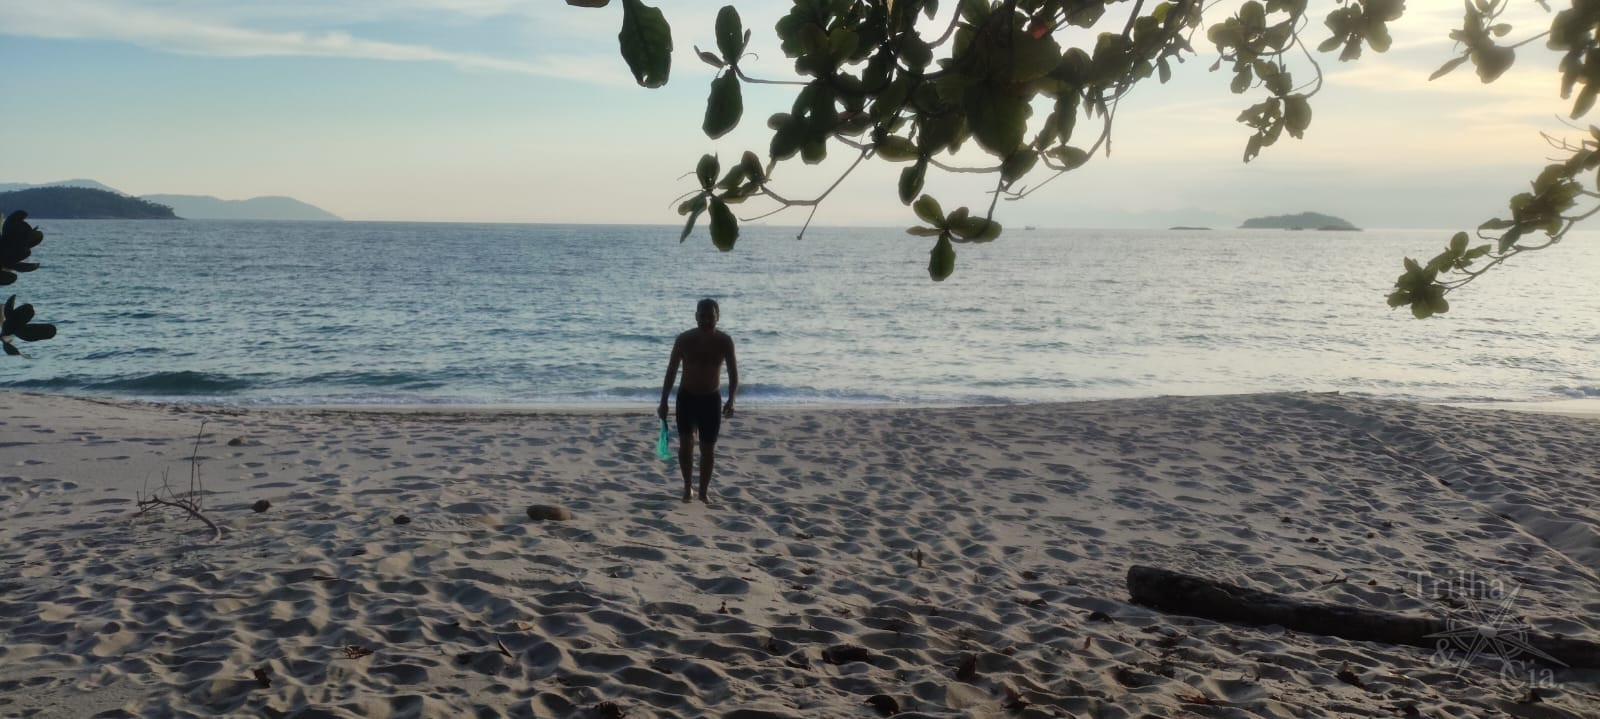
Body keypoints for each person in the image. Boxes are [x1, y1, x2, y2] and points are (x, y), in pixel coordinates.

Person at [658, 298, 738, 503]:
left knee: (707, 449)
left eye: (711, 316)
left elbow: (733, 373)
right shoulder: (684, 340)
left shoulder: (724, 341)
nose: (706, 320)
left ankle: (703, 491)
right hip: (687, 398)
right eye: (702, 316)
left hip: (711, 399)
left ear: (717, 318)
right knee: (686, 444)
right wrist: (664, 400)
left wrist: (731, 400)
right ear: (696, 317)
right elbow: (671, 371)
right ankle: (688, 487)